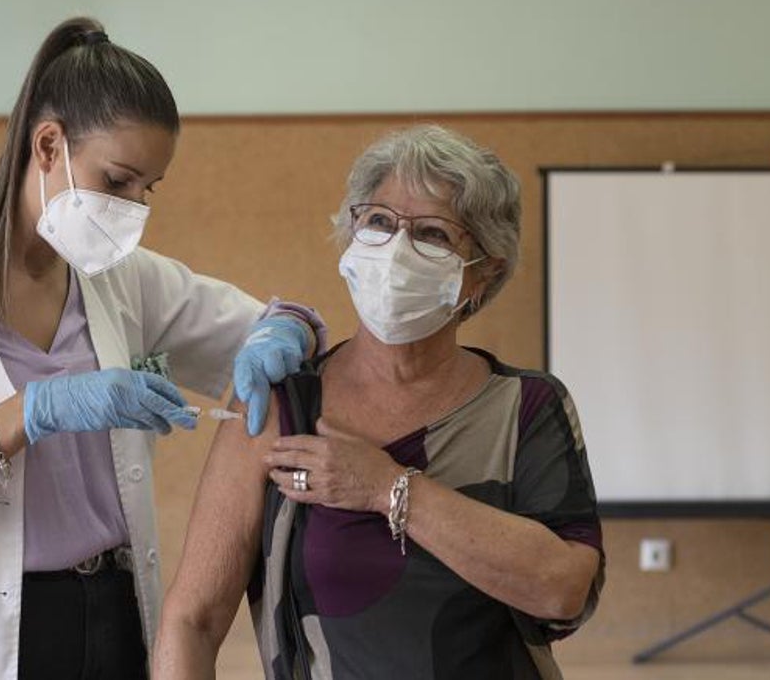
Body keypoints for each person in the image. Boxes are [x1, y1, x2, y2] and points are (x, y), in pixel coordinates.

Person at [0, 17, 326, 679]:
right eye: (117, 182)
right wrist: (34, 410)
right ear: (48, 145)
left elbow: (274, 323)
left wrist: (284, 331)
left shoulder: (124, 278)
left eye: (146, 190)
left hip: (112, 611)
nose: (132, 208)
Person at [155, 125, 605, 679]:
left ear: (482, 274)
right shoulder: (283, 404)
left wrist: (387, 487)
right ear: (350, 237)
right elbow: (192, 620)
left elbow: (562, 590)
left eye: (434, 235)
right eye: (378, 222)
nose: (396, 250)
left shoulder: (525, 407)